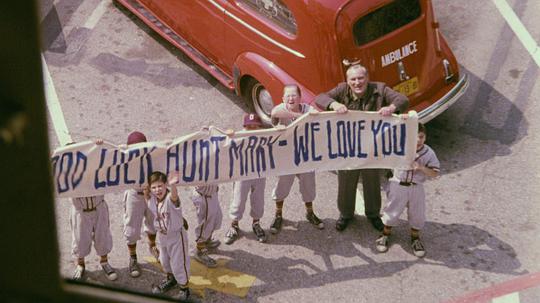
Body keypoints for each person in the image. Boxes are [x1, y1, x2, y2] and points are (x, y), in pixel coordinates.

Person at [315, 64, 409, 232]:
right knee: (345, 183)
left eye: (360, 78)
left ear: (367, 79)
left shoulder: (380, 89)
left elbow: (403, 99)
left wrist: (391, 108)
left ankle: (373, 214)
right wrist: (334, 105)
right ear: (347, 81)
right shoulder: (341, 89)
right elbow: (319, 98)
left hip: (372, 149)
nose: (357, 82)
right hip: (348, 149)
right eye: (353, 79)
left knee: (372, 182)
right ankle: (346, 215)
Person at [376, 123, 440, 257]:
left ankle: (415, 239)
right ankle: (385, 235)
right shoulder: (400, 147)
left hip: (416, 186)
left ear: (425, 137)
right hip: (398, 184)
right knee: (391, 211)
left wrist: (421, 168)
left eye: (421, 137)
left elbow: (435, 173)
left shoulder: (429, 152)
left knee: (418, 214)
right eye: (414, 137)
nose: (418, 140)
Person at [269, 84, 324, 234]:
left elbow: (318, 117)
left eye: (294, 95)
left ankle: (310, 213)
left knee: (308, 186)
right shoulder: (280, 109)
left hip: (306, 156)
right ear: (283, 98)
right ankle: (278, 214)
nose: (291, 98)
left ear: (300, 98)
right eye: (288, 95)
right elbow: (275, 112)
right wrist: (303, 118)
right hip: (287, 158)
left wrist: (308, 115)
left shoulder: (307, 109)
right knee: (282, 187)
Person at [70, 139, 118, 281]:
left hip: (99, 207)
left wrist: (99, 145)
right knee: (79, 240)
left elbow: (108, 159)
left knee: (102, 236)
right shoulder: (66, 174)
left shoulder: (95, 167)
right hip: (80, 211)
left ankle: (104, 262)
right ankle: (80, 265)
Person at [145, 171, 190, 300]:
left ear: (165, 185)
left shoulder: (170, 198)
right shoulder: (153, 200)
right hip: (162, 236)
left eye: (160, 186)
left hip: (176, 236)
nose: (157, 190)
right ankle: (171, 279)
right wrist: (145, 189)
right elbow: (146, 195)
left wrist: (173, 185)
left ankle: (184, 288)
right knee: (164, 260)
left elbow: (175, 198)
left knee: (178, 263)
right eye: (153, 187)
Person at [223, 113, 267, 245]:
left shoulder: (265, 135)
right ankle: (234, 225)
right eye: (249, 126)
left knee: (258, 199)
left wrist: (280, 130)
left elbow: (280, 142)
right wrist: (228, 135)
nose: (252, 129)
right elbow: (224, 146)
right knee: (238, 199)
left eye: (255, 126)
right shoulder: (239, 136)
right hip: (242, 174)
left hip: (259, 173)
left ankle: (256, 223)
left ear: (260, 127)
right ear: (244, 127)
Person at [122, 131, 159, 278]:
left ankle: (153, 246)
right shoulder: (125, 157)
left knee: (153, 223)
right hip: (134, 195)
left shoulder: (154, 155)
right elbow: (107, 156)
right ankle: (133, 257)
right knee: (131, 228)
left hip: (150, 193)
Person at [192, 183, 222, 267]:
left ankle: (207, 240)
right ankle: (200, 250)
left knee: (217, 218)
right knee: (206, 224)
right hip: (204, 195)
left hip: (212, 192)